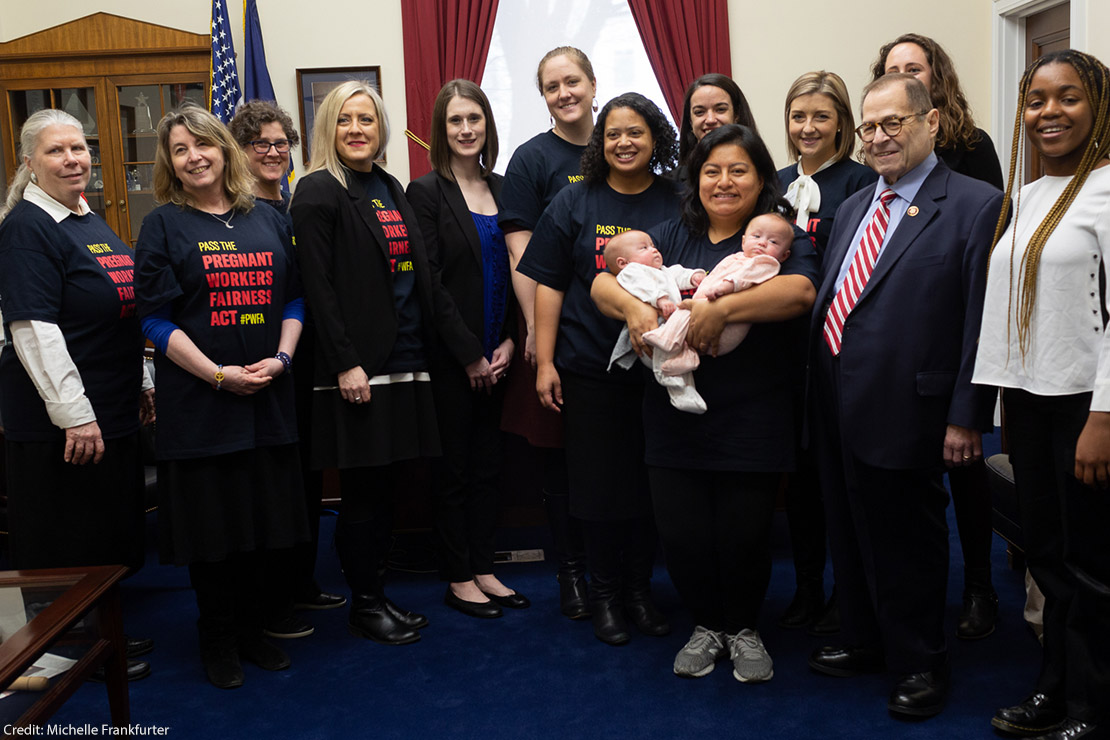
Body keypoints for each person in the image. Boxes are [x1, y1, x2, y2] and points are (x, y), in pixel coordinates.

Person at [806, 74, 1003, 717]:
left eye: (894, 123)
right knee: (851, 530)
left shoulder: (976, 204)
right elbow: (844, 298)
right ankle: (865, 641)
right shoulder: (859, 203)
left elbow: (980, 321)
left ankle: (921, 663)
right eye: (869, 127)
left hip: (911, 406)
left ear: (931, 123)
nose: (880, 138)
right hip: (836, 400)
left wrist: (967, 416)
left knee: (906, 543)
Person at [593, 123, 819, 683]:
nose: (723, 182)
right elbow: (602, 282)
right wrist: (632, 308)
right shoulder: (670, 234)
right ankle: (707, 624)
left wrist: (723, 310)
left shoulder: (778, 236)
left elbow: (801, 292)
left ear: (762, 178)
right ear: (695, 180)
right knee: (684, 533)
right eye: (711, 171)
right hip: (673, 418)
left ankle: (743, 627)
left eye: (738, 170)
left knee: (743, 532)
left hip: (753, 414)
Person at [290, 81, 475, 645]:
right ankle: (365, 605)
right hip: (359, 370)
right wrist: (346, 363)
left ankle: (378, 595)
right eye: (345, 120)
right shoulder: (317, 191)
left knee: (391, 489)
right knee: (364, 495)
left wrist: (464, 349)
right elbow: (317, 287)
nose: (356, 130)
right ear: (328, 128)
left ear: (381, 128)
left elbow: (417, 275)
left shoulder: (391, 186)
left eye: (366, 120)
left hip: (407, 360)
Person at [134, 103, 308, 689]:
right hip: (203, 406)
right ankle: (218, 641)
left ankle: (255, 630)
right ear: (171, 164)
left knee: (261, 527)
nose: (194, 157)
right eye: (180, 150)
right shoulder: (162, 224)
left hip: (267, 398)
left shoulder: (268, 216)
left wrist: (282, 358)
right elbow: (154, 320)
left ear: (223, 149)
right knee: (215, 535)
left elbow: (295, 299)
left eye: (202, 144)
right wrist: (216, 374)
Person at [973, 49, 1110, 740]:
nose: (1049, 112)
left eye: (1068, 97)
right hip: (1025, 400)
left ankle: (1091, 705)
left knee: (1089, 567)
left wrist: (1104, 419)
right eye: (1036, 100)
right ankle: (1055, 690)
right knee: (1049, 561)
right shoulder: (1024, 195)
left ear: (1099, 106)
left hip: (1086, 407)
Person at [517, 92, 680, 646]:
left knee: (648, 486)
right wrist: (543, 362)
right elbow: (549, 283)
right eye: (613, 134)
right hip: (590, 369)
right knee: (598, 488)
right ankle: (606, 593)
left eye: (636, 132)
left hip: (662, 372)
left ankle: (640, 590)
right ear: (599, 142)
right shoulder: (573, 203)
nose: (624, 143)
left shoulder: (677, 198)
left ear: (654, 137)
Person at [0, 108, 155, 682]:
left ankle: (97, 626)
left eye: (80, 148)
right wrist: (74, 415)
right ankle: (58, 644)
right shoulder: (26, 229)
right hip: (59, 421)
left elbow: (119, 311)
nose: (73, 159)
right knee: (62, 535)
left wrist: (139, 382)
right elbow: (33, 330)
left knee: (98, 529)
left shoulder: (87, 218)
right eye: (56, 151)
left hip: (109, 403)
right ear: (29, 163)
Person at [872, 32, 1005, 640]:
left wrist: (968, 407)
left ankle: (979, 584)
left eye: (915, 68)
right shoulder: (870, 181)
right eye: (893, 69)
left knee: (965, 474)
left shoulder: (971, 156)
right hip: (896, 375)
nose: (906, 73)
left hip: (950, 358)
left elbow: (980, 286)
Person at [406, 79, 526, 619]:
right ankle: (458, 576)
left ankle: (484, 567)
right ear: (441, 129)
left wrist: (506, 342)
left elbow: (524, 270)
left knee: (489, 468)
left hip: (500, 355)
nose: (465, 129)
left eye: (474, 119)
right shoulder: (425, 193)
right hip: (453, 360)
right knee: (454, 470)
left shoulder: (505, 189)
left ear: (487, 125)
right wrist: (469, 354)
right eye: (455, 120)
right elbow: (428, 283)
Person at [228, 100, 346, 640]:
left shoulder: (294, 203)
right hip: (266, 367)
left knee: (306, 481)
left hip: (308, 365)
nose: (274, 153)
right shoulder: (241, 214)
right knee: (276, 488)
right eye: (261, 145)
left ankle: (300, 582)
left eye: (281, 144)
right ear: (241, 152)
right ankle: (271, 599)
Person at [776, 70, 879, 635]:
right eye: (798, 116)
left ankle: (849, 592)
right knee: (802, 483)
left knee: (841, 481)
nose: (808, 127)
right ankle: (808, 587)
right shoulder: (773, 183)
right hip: (784, 356)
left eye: (821, 116)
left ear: (841, 120)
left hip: (841, 353)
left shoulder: (864, 183)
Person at [499, 46, 597, 620]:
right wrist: (540, 329)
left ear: (592, 82)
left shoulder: (619, 143)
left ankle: (615, 571)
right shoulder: (531, 159)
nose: (564, 93)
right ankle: (571, 573)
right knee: (559, 458)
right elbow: (520, 251)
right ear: (543, 96)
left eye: (573, 81)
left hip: (615, 332)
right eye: (552, 86)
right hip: (553, 327)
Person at [674, 74, 758, 182]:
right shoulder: (671, 185)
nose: (710, 120)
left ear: (736, 115)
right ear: (690, 121)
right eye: (699, 112)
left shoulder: (761, 172)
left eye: (720, 109)